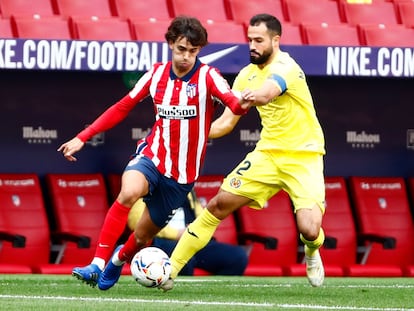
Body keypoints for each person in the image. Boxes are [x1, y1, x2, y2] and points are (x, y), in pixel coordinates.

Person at [57, 15, 250, 290]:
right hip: (153, 157)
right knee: (127, 192)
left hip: (181, 176)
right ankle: (97, 264)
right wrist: (82, 137)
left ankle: (117, 260)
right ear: (170, 44)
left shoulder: (209, 77)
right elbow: (122, 107)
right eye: (181, 49)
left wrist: (243, 104)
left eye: (193, 51)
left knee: (140, 236)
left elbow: (233, 104)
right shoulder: (157, 74)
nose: (186, 57)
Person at [161, 13, 326, 291]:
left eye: (259, 40)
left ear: (275, 40)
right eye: (249, 39)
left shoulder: (287, 67)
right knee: (217, 205)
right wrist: (193, 132)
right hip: (268, 155)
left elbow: (266, 93)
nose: (252, 45)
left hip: (304, 157)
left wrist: (248, 97)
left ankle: (312, 251)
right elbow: (227, 121)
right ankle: (169, 271)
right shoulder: (246, 75)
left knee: (309, 229)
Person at [127, 190, 248, 276]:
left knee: (237, 257)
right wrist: (177, 233)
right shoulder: (150, 185)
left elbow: (203, 216)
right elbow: (136, 222)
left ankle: (211, 296)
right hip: (162, 242)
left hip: (191, 239)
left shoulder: (187, 188)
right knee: (184, 261)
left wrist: (198, 227)